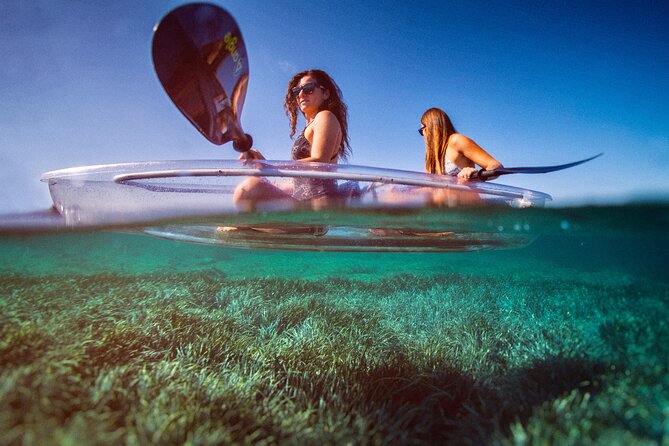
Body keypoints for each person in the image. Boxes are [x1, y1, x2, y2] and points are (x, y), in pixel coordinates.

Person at [232, 69, 350, 208]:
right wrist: (263, 165)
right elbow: (299, 183)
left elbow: (320, 163)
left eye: (308, 88)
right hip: (303, 206)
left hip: (315, 211)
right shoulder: (310, 127)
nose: (301, 94)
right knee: (230, 226)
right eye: (296, 91)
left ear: (326, 93)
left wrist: (269, 166)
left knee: (247, 191)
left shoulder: (325, 116)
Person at [420, 107, 502, 179]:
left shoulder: (456, 141)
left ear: (430, 127)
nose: (423, 135)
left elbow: (496, 166)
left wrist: (477, 175)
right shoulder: (433, 158)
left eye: (421, 131)